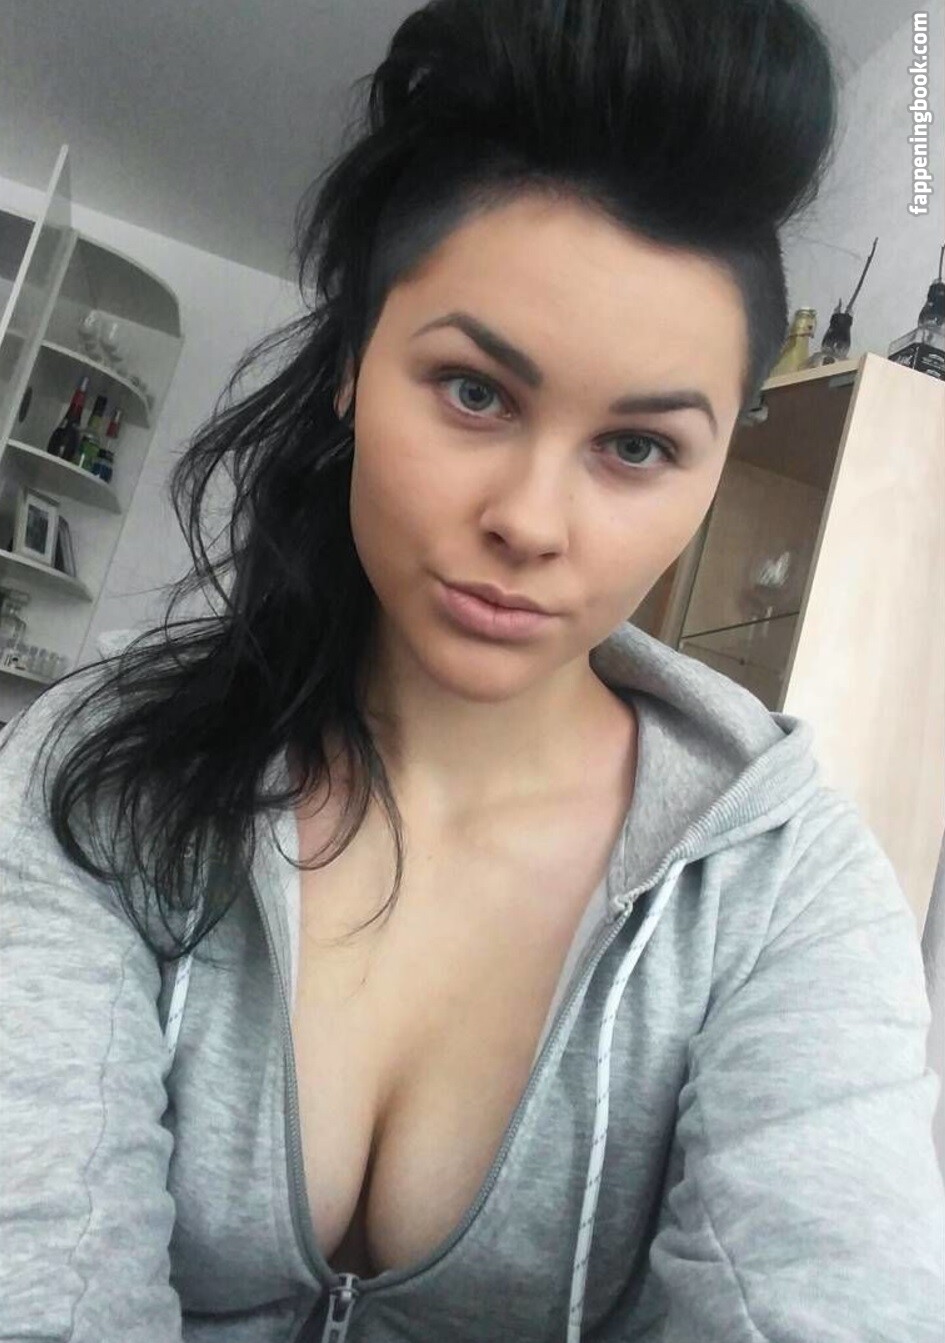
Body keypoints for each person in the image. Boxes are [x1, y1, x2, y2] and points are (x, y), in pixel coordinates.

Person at [1, 0, 943, 1338]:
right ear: (352, 366)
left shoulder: (779, 886)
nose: (530, 522)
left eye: (637, 448)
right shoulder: (104, 768)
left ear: (716, 463)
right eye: (475, 392)